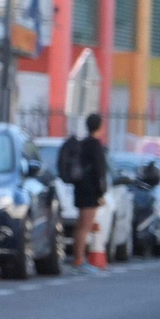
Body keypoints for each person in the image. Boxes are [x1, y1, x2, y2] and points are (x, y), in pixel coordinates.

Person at [61, 113, 109, 270]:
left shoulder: (82, 144)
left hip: (79, 188)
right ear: (99, 127)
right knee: (85, 226)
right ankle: (79, 260)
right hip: (90, 191)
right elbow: (99, 172)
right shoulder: (95, 145)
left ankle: (78, 258)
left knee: (80, 225)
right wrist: (101, 193)